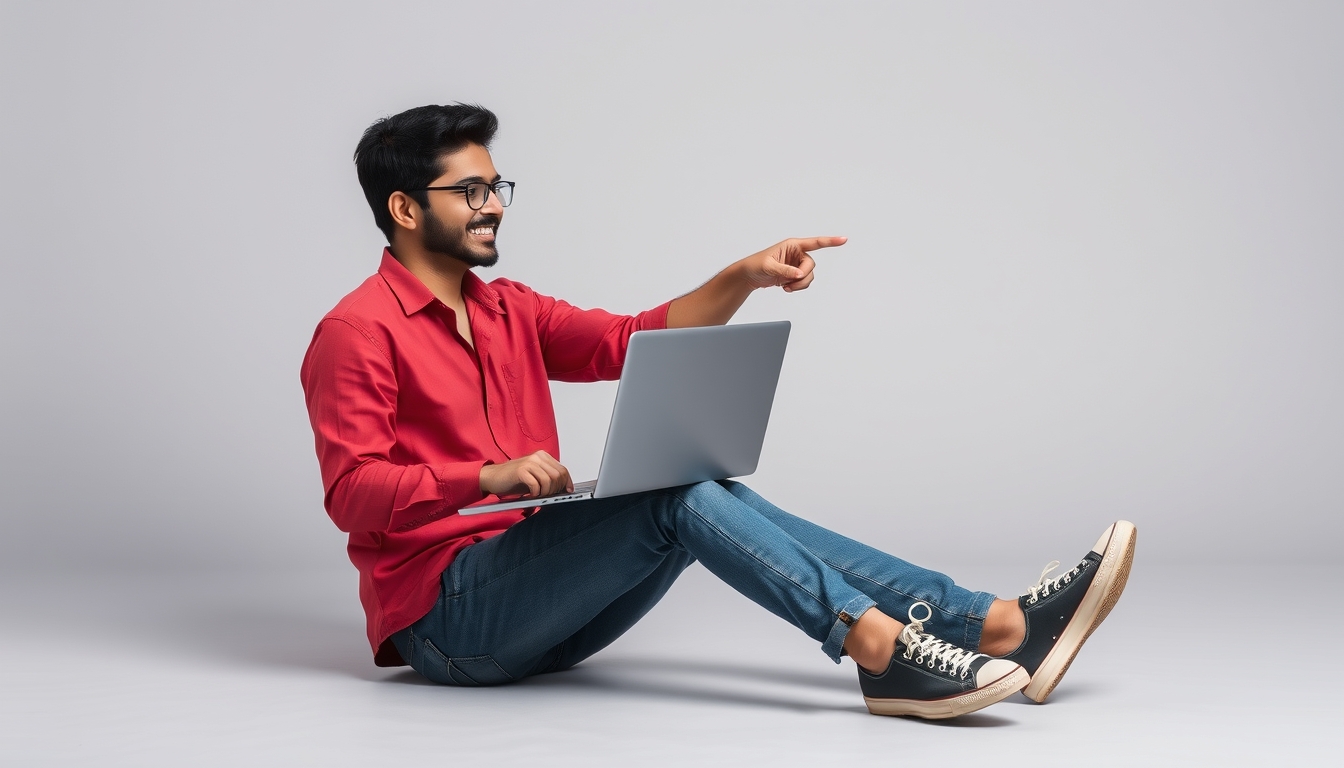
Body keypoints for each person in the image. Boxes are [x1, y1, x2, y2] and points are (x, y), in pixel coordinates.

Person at [300, 103, 1136, 719]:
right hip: (450, 624)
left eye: (496, 185)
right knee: (675, 494)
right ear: (406, 209)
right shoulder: (355, 332)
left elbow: (630, 340)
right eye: (469, 190)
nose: (494, 205)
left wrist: (744, 275)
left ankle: (996, 626)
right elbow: (354, 493)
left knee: (691, 480)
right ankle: (880, 650)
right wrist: (484, 474)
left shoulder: (507, 307)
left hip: (544, 600)